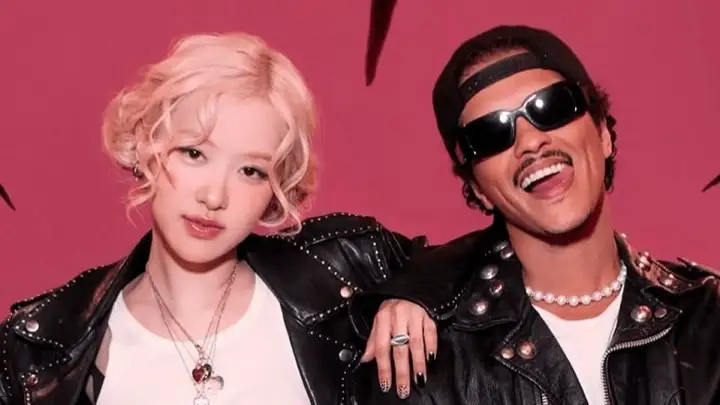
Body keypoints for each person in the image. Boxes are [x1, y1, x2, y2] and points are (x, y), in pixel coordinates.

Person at [0, 33, 436, 405]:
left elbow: (458, 269)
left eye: (251, 171)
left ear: (275, 189)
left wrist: (414, 296)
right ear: (145, 146)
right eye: (194, 153)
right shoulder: (42, 349)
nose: (214, 196)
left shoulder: (344, 272)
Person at [351, 25, 720, 405]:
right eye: (491, 134)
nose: (530, 142)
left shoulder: (706, 320)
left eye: (552, 107)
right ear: (478, 189)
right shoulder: (428, 355)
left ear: (603, 134)